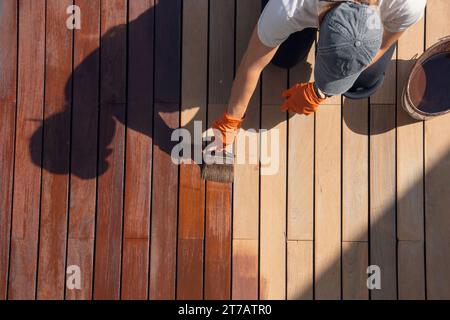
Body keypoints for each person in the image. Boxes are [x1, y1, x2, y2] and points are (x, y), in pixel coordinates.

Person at [211, 0, 427, 147]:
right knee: (282, 58)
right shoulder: (290, 7)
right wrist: (231, 119)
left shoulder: (408, 4)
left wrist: (320, 91)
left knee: (364, 80)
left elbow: (384, 43)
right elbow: (253, 62)